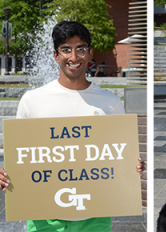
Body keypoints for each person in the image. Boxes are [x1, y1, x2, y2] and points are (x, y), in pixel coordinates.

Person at [0, 21, 145, 232]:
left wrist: (133, 167)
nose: (74, 57)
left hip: (95, 217)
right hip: (44, 219)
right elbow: (21, 157)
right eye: (66, 50)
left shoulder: (110, 103)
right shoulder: (32, 100)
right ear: (55, 55)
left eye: (81, 49)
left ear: (90, 53)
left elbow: (119, 158)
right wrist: (5, 174)